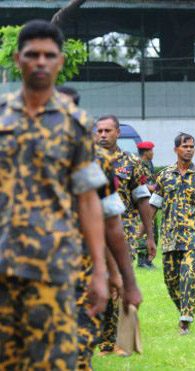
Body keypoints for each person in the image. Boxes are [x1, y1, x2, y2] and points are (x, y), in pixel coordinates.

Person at [0, 20, 109, 369]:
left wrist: (100, 271)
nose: (41, 62)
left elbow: (88, 199)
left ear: (60, 61)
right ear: (18, 59)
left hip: (54, 267)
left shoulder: (75, 124)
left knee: (51, 362)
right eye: (32, 55)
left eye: (49, 55)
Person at [57, 85, 143, 366]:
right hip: (27, 272)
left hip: (82, 268)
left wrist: (120, 275)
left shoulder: (96, 162)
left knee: (80, 349)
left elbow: (109, 220)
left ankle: (110, 340)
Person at [149, 133, 195, 334]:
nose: (189, 149)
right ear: (176, 149)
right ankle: (183, 309)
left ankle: (185, 320)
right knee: (171, 281)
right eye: (185, 146)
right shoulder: (164, 176)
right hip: (170, 237)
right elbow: (153, 206)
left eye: (192, 146)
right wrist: (147, 234)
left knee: (189, 276)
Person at [95, 114, 156, 355]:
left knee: (120, 280)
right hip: (93, 229)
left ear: (118, 133)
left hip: (124, 229)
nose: (102, 135)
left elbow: (142, 199)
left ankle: (121, 341)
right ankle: (103, 340)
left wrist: (149, 236)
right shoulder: (87, 161)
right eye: (99, 131)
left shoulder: (131, 162)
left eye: (107, 131)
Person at [136, 140, 157, 269]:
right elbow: (140, 184)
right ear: (146, 152)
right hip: (142, 204)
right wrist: (154, 188)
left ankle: (148, 260)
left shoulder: (149, 164)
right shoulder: (138, 165)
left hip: (151, 203)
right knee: (142, 231)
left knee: (152, 230)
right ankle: (142, 261)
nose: (153, 153)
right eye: (151, 151)